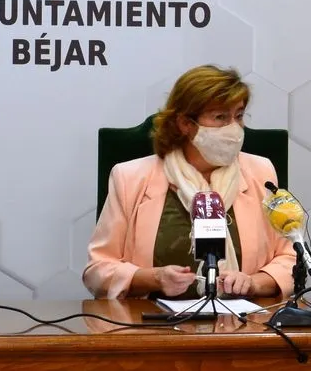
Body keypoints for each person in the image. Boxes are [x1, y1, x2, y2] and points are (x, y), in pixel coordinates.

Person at [83, 65, 296, 299]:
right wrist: (154, 278)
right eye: (220, 117)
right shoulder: (130, 178)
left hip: (242, 324)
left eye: (239, 115)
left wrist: (253, 283)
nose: (234, 128)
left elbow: (290, 259)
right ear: (185, 124)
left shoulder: (260, 171)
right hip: (153, 326)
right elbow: (98, 270)